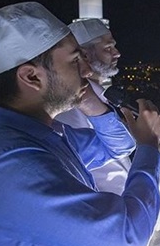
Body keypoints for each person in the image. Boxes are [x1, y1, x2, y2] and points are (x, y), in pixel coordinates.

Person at [0, 2, 160, 246]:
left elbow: (118, 145)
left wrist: (92, 103)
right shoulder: (10, 164)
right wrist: (149, 148)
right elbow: (127, 239)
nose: (87, 70)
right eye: (75, 61)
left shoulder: (36, 137)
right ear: (32, 77)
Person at [56, 18, 132, 195]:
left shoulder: (98, 96)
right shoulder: (70, 105)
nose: (117, 53)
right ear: (85, 55)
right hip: (102, 205)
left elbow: (121, 146)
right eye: (108, 48)